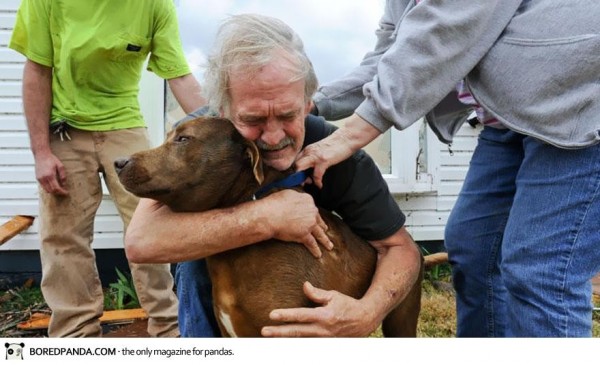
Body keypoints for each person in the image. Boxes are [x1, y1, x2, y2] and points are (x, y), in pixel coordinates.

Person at [295, 0, 600, 337]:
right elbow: (391, 57)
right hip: (510, 122)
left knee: (542, 269)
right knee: (475, 249)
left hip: (580, 107)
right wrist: (310, 104)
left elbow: (448, 25)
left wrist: (353, 132)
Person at [124, 13, 423, 337]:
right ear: (222, 110)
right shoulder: (206, 134)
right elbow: (142, 241)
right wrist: (266, 217)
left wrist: (365, 314)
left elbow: (401, 249)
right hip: (222, 278)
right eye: (253, 119)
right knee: (194, 258)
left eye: (287, 114)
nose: (272, 136)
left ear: (307, 104)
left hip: (312, 275)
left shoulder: (336, 150)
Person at [9, 0, 205, 337]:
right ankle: (75, 335)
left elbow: (179, 76)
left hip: (125, 125)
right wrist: (41, 153)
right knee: (63, 237)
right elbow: (36, 71)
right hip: (64, 128)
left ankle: (169, 329)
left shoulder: (155, 5)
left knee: (152, 224)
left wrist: (221, 129)